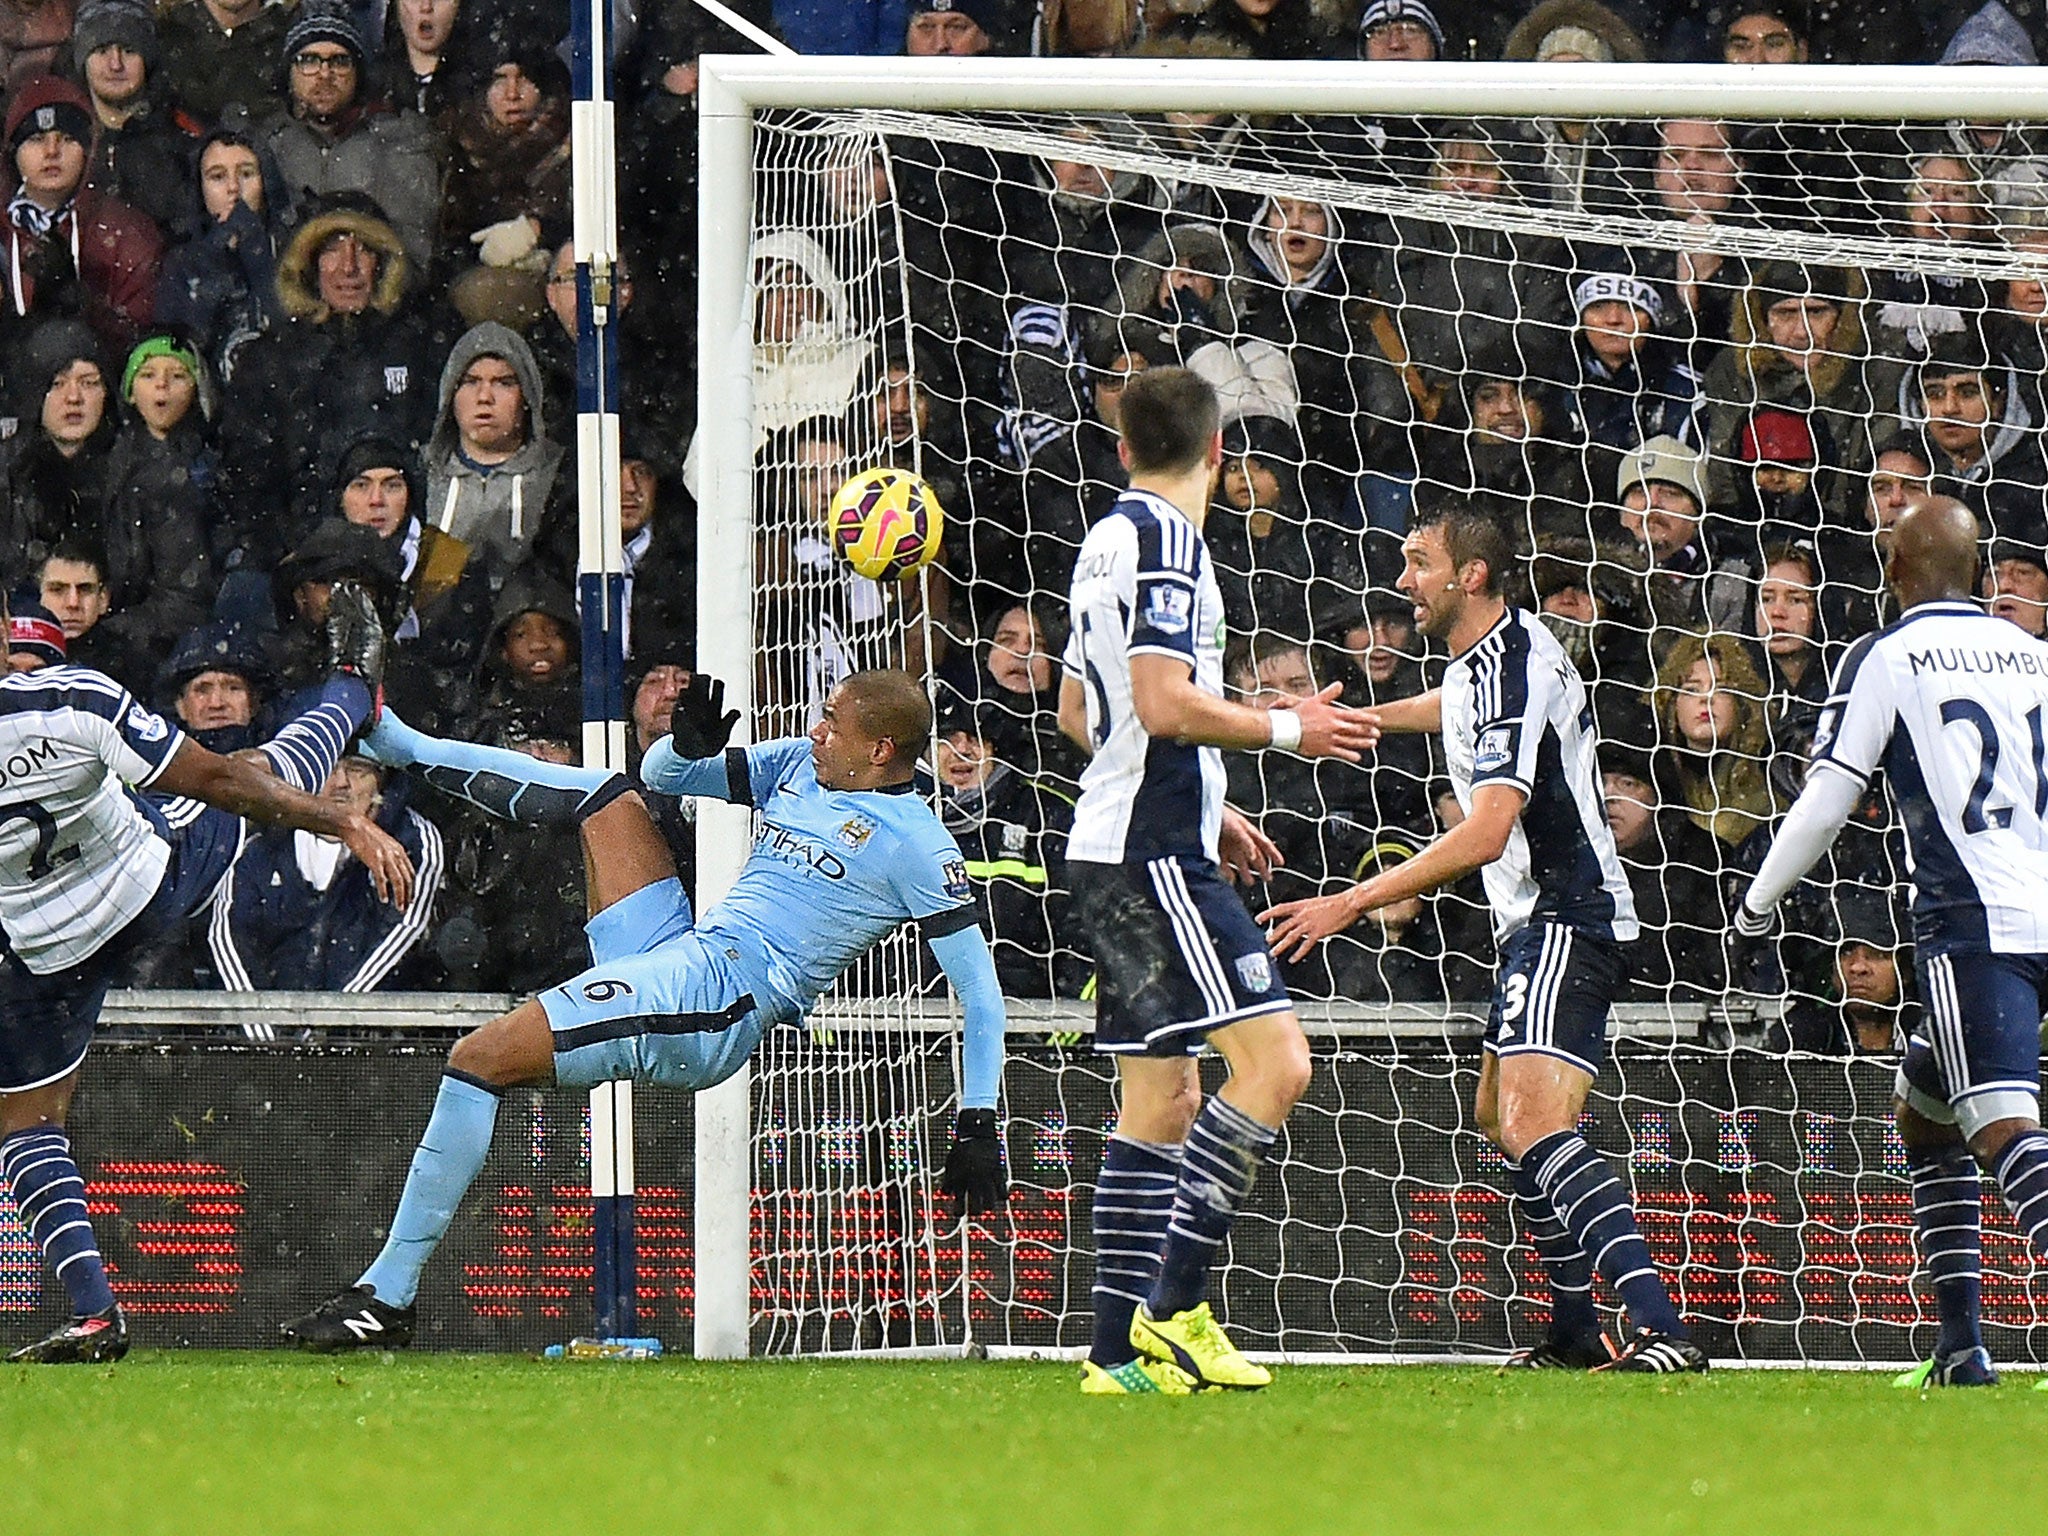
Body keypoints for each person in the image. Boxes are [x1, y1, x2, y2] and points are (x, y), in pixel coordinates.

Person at [279, 668, 1010, 1350]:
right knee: (608, 795)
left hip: (719, 1002)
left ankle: (387, 1296)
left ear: (881, 749)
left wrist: (977, 1117)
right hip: (684, 950)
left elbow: (979, 991)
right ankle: (399, 742)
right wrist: (686, 745)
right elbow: (665, 779)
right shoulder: (799, 765)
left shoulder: (919, 847)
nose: (817, 732)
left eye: (832, 724)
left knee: (478, 1058)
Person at [1265, 500, 1707, 1374]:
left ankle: (1663, 1328)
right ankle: (1578, 1336)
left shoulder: (1507, 668)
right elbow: (1452, 705)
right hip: (1537, 923)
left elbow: (1486, 832)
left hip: (1566, 917)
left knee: (1532, 1121)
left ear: (1470, 574)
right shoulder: (1497, 651)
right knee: (1500, 1119)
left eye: (1417, 562)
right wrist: (1355, 723)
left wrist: (1347, 903)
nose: (1403, 582)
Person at [1054, 366, 1374, 1395]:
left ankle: (1111, 1358)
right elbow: (1156, 702)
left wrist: (1207, 798)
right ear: (1220, 454)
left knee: (1159, 1099)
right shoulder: (1166, 543)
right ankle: (1176, 1310)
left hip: (1115, 838)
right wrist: (1294, 728)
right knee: (1276, 1066)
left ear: (1121, 448)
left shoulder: (1101, 539)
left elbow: (1077, 713)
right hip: (1150, 852)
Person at [0, 583, 412, 1363]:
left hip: (43, 945)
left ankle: (94, 1314)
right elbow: (220, 782)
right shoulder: (68, 697)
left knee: (26, 1122)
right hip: (147, 884)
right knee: (253, 768)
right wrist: (340, 815)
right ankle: (353, 683)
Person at [1735, 496, 2048, 1389]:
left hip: (1973, 927)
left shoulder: (1888, 653)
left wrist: (1757, 906)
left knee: (2001, 1128)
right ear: (1981, 577)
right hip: (2042, 908)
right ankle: (1961, 1352)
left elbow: (1830, 794)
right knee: (1924, 1112)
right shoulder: (2036, 656)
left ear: (1892, 575)